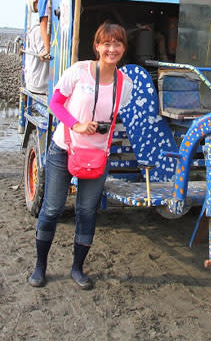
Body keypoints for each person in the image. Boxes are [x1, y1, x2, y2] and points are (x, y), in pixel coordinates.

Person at [28, 22, 133, 290]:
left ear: (124, 48)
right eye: (106, 43)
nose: (112, 48)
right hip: (64, 149)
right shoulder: (79, 72)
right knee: (52, 208)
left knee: (86, 211)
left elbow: (117, 116)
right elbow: (55, 103)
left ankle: (77, 268)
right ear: (97, 46)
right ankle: (40, 267)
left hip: (98, 155)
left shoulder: (126, 84)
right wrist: (76, 124)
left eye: (117, 43)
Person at [23, 0, 50, 94]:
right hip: (40, 84)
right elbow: (45, 55)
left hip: (36, 81)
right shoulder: (39, 30)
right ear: (35, 4)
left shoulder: (38, 27)